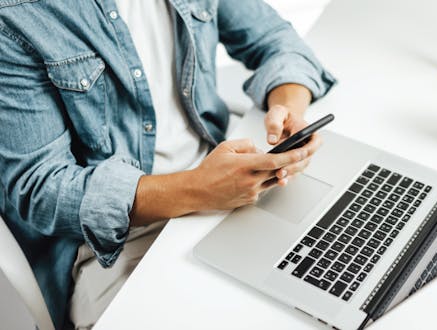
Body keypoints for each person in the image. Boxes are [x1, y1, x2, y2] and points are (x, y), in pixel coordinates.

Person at [0, 0, 335, 329]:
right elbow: (42, 190)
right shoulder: (15, 14)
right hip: (114, 243)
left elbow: (277, 40)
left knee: (328, 291)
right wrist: (201, 189)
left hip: (230, 185)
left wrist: (288, 109)